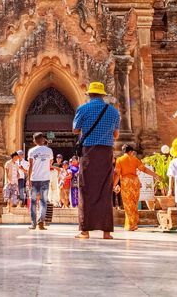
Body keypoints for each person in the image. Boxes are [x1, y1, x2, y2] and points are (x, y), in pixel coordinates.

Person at [72, 81, 121, 240]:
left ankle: (85, 231)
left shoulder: (83, 108)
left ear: (90, 94)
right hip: (106, 152)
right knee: (105, 190)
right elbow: (116, 135)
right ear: (102, 95)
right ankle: (106, 232)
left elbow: (75, 129)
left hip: (88, 152)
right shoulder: (113, 111)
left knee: (86, 189)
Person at [114, 144, 161, 231]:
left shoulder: (119, 160)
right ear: (131, 151)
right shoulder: (135, 159)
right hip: (135, 182)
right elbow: (144, 169)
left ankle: (130, 225)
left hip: (126, 182)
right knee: (134, 204)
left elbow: (117, 174)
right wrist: (155, 175)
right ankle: (134, 224)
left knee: (128, 204)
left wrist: (114, 185)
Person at [26, 132, 54, 230]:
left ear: (34, 141)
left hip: (34, 179)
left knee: (33, 201)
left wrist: (28, 179)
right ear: (43, 140)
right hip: (45, 178)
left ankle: (33, 224)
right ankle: (41, 222)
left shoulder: (31, 151)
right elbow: (50, 163)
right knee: (43, 201)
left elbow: (30, 165)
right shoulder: (49, 151)